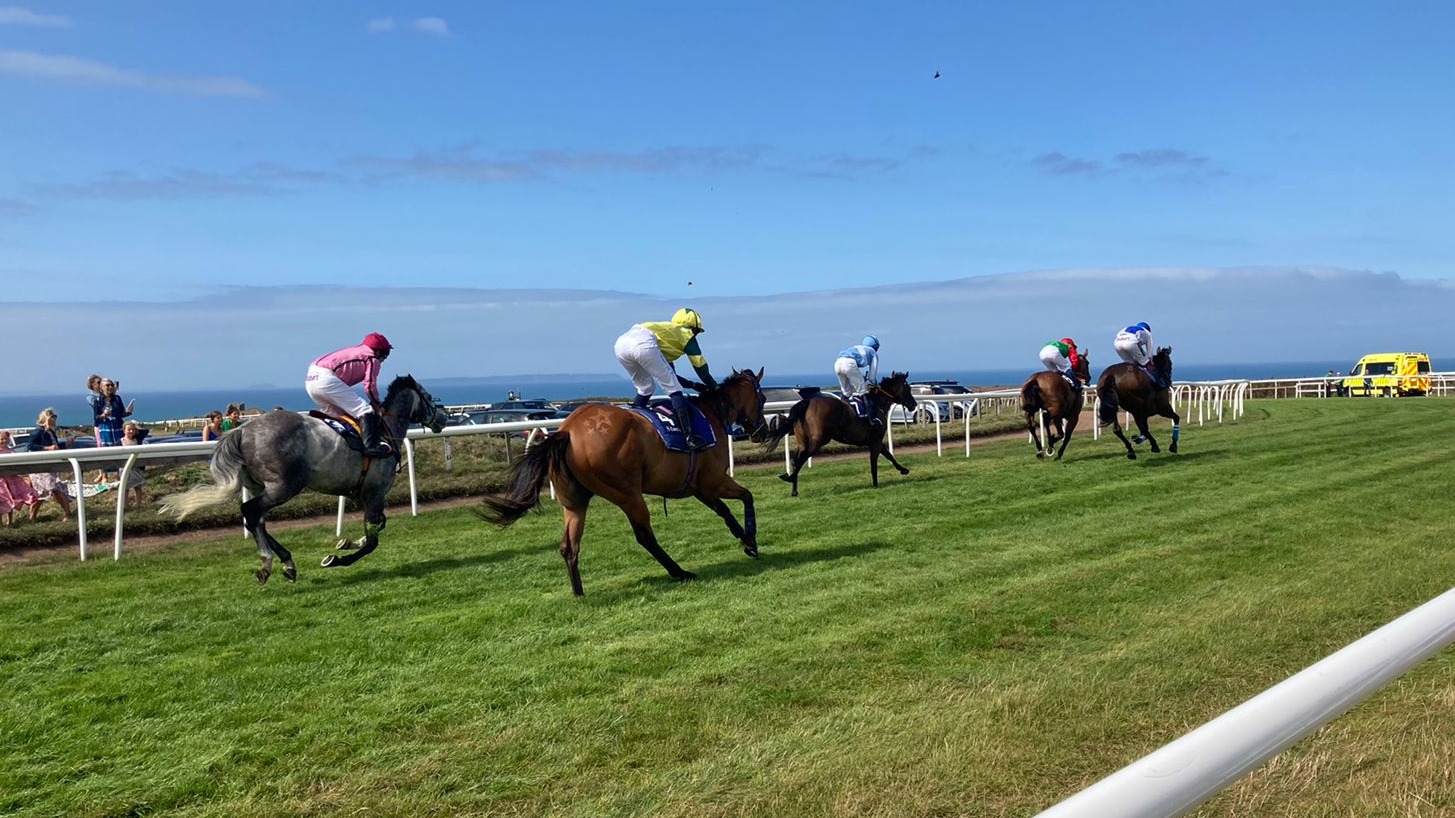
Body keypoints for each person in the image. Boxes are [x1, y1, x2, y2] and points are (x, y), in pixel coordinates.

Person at [613, 307, 718, 450]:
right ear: (692, 328)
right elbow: (701, 368)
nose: (696, 335)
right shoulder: (685, 334)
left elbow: (671, 374)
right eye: (697, 331)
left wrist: (694, 385)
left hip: (621, 345)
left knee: (646, 388)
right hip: (643, 344)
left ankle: (635, 422)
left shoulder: (666, 335)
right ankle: (690, 437)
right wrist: (715, 387)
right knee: (674, 389)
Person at [307, 332, 394, 457]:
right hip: (326, 379)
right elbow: (369, 386)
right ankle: (370, 447)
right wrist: (376, 404)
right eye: (386, 354)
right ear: (379, 352)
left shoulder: (357, 350)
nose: (384, 360)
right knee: (365, 410)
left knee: (338, 417)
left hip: (311, 379)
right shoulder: (372, 358)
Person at [25, 408, 74, 522]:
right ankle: (67, 513)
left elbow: (55, 447)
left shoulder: (50, 432)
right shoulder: (39, 431)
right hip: (40, 467)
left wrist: (66, 444)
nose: (55, 419)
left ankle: (67, 513)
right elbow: (30, 446)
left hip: (49, 466)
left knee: (53, 490)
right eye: (53, 417)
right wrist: (47, 448)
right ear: (47, 418)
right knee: (47, 491)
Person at [0, 429, 41, 526]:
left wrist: (25, 475)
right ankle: (0, 523)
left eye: (6, 439)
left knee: (11, 499)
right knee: (2, 500)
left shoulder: (11, 452)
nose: (4, 441)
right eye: (1, 439)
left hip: (10, 479)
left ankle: (10, 521)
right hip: (1, 481)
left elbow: (17, 464)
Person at [835, 335, 881, 399]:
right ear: (875, 347)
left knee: (846, 392)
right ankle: (869, 409)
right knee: (862, 390)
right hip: (849, 364)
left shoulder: (856, 347)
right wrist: (875, 384)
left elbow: (854, 369)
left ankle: (842, 407)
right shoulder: (873, 353)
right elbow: (872, 377)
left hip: (838, 363)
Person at [92, 378, 134, 447]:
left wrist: (128, 412)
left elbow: (121, 414)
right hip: (106, 429)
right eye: (107, 385)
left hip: (118, 428)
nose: (110, 387)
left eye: (111, 385)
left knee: (120, 447)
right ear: (102, 387)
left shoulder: (117, 398)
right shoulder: (97, 401)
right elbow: (96, 418)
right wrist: (104, 415)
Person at [120, 421, 148, 506]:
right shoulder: (120, 442)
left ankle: (138, 505)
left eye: (133, 429)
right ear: (124, 430)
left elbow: (145, 431)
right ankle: (125, 505)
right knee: (125, 487)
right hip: (125, 468)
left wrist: (136, 426)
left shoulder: (137, 440)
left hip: (137, 468)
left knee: (138, 487)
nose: (131, 431)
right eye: (129, 429)